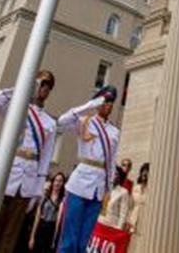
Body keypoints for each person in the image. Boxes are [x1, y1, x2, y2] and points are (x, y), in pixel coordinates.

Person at [0, 70, 59, 253]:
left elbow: (45, 158)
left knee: (11, 233)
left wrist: (37, 189)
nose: (44, 89)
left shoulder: (50, 122)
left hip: (28, 178)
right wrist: (23, 88)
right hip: (8, 172)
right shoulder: (19, 109)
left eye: (47, 87)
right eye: (41, 84)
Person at [55, 84, 120, 253]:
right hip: (79, 184)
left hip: (99, 187)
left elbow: (111, 161)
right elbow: (62, 121)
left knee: (84, 241)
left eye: (111, 102)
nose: (108, 105)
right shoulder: (84, 122)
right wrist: (87, 106)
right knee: (69, 239)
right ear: (98, 102)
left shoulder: (114, 131)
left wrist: (109, 188)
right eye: (105, 101)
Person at [28, 173, 64, 253]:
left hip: (51, 229)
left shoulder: (62, 201)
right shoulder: (45, 197)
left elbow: (58, 222)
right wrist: (32, 237)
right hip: (41, 227)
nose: (58, 183)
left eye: (60, 181)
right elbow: (37, 218)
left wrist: (54, 240)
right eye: (56, 180)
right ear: (53, 182)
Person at [99, 167, 134, 231]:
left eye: (116, 174)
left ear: (119, 177)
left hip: (111, 226)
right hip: (99, 223)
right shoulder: (103, 188)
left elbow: (123, 213)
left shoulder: (123, 192)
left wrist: (119, 229)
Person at [127, 163, 149, 247]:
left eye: (147, 171)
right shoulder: (136, 188)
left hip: (145, 222)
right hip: (132, 221)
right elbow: (130, 206)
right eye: (143, 170)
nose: (145, 173)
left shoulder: (153, 189)